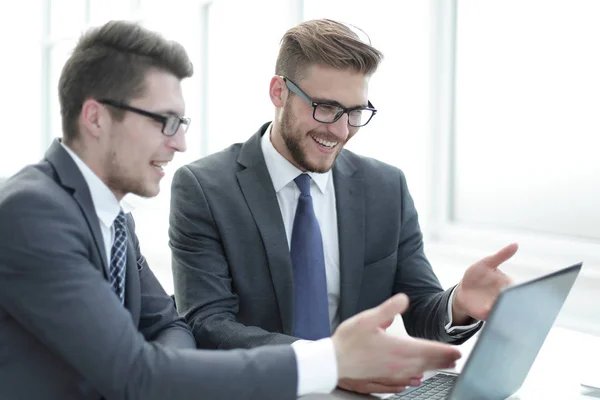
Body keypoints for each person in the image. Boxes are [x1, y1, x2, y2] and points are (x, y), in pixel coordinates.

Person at [0, 20, 462, 400]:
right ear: (97, 117)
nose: (179, 142)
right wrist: (330, 362)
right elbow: (142, 371)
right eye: (164, 121)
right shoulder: (33, 213)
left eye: (181, 123)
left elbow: (168, 324)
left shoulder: (112, 217)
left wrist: (166, 364)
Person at [169, 18, 518, 395]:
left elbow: (420, 311)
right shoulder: (204, 188)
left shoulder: (386, 188)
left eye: (354, 112)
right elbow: (207, 323)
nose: (339, 130)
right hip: (260, 388)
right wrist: (326, 364)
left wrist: (459, 303)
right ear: (278, 92)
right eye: (325, 107)